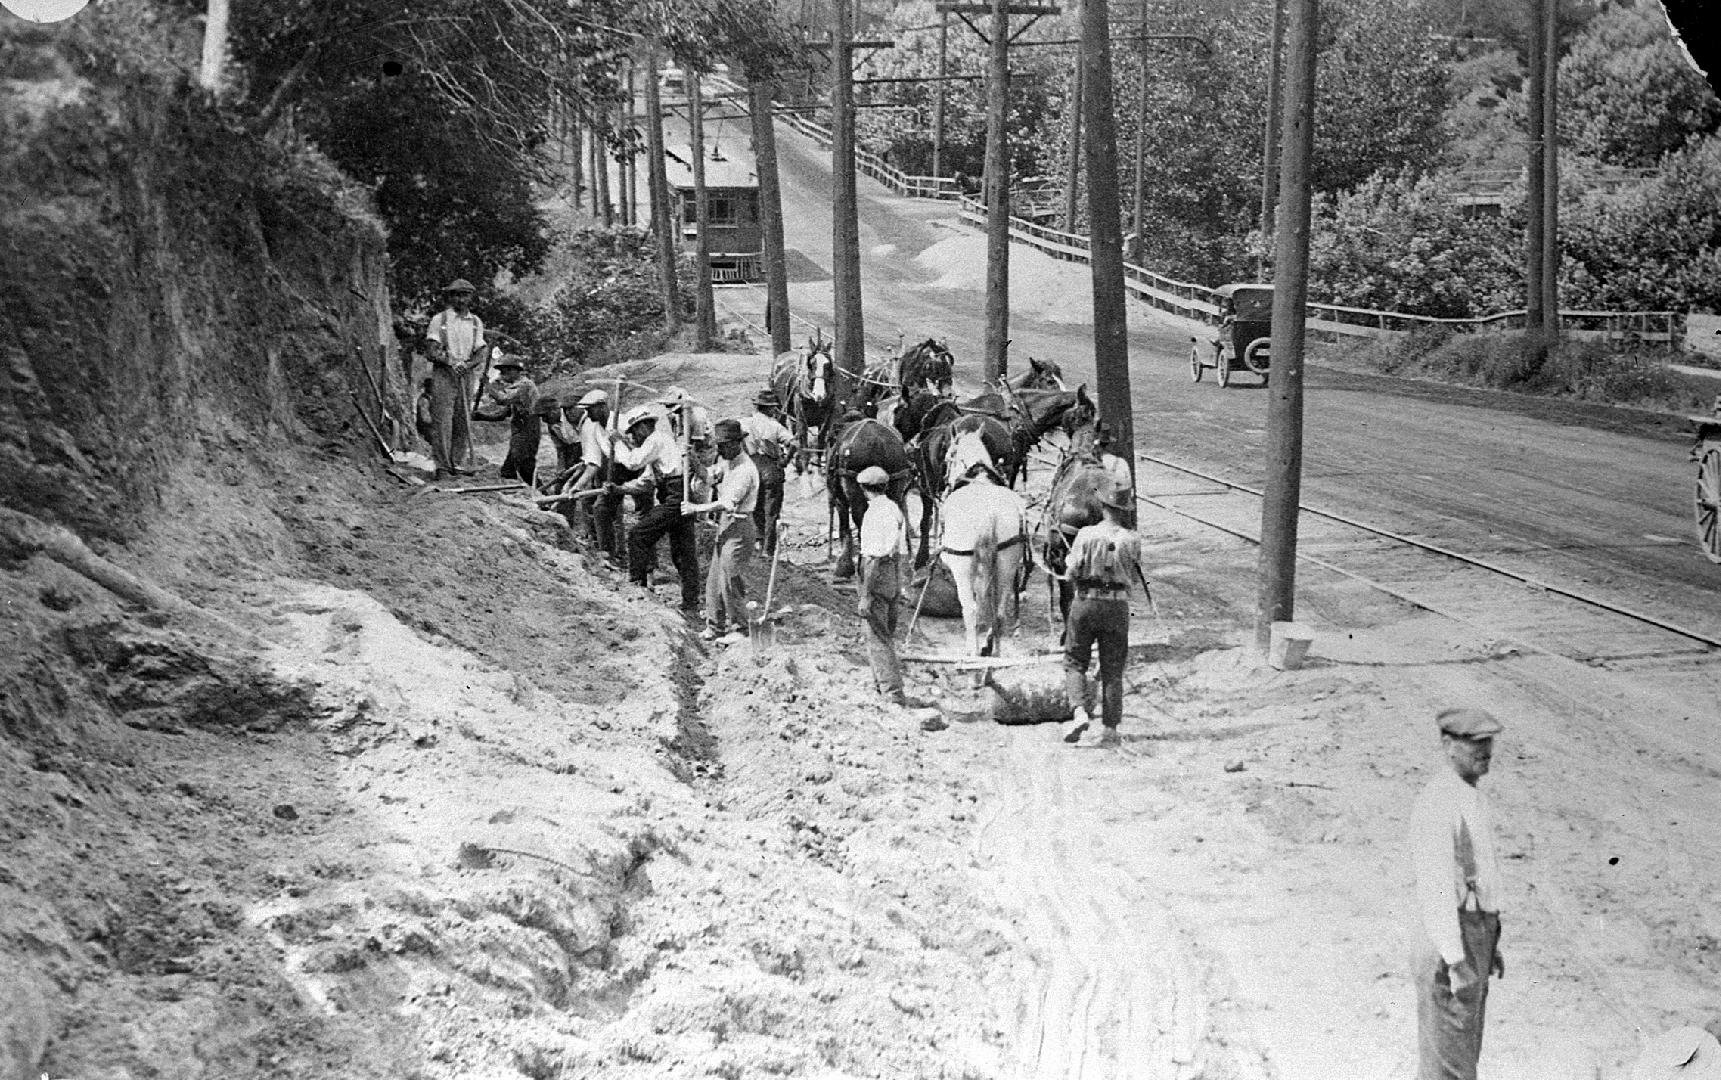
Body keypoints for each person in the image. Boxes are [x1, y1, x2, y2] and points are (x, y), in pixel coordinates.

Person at [1410, 707, 1507, 1080]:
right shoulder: (1439, 801)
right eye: (1475, 743)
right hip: (1450, 941)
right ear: (1449, 745)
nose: (1485, 751)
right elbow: (1435, 888)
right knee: (1449, 1068)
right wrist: (1456, 959)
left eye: (1489, 742)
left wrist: (1489, 945)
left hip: (1472, 934)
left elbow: (1479, 876)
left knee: (1459, 1056)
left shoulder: (1469, 797)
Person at [1055, 477, 1145, 748]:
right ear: (1124, 510)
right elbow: (1136, 578)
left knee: (1075, 661)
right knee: (1113, 669)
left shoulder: (1085, 535)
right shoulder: (1133, 540)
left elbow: (1070, 572)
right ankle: (1110, 730)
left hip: (1086, 603)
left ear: (1103, 507)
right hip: (1117, 607)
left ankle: (1079, 712)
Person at [939, 435, 1029, 657]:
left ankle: (971, 642)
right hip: (1007, 534)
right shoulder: (1009, 498)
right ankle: (996, 624)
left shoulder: (956, 498)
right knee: (1005, 586)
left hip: (963, 545)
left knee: (964, 586)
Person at [609, 407, 699, 611]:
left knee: (638, 535)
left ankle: (637, 586)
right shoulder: (659, 444)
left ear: (642, 426)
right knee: (682, 552)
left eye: (633, 432)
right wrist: (620, 489)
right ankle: (690, 601)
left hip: (676, 496)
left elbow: (633, 462)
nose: (633, 437)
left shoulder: (656, 439)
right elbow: (647, 481)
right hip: (674, 494)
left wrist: (617, 443)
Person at [683, 419, 759, 643]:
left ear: (737, 443)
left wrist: (696, 508)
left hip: (740, 527)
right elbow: (709, 477)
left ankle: (740, 627)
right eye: (719, 445)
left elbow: (727, 503)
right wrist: (693, 459)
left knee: (730, 577)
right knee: (715, 579)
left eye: (724, 445)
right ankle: (715, 627)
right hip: (725, 525)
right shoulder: (727, 462)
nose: (720, 449)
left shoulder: (745, 469)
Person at [855, 465, 923, 710]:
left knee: (876, 634)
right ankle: (880, 684)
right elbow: (904, 551)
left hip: (878, 574)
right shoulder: (894, 509)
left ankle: (892, 693)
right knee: (884, 630)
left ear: (864, 489)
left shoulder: (873, 515)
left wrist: (865, 595)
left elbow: (871, 560)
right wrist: (902, 582)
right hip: (893, 573)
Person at [423, 279, 485, 479]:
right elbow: (432, 351)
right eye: (456, 294)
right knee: (442, 419)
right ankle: (442, 466)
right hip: (444, 373)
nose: (460, 299)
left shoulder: (476, 323)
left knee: (462, 419)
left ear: (470, 298)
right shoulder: (439, 320)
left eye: (465, 295)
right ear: (450, 297)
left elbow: (480, 352)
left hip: (465, 375)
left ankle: (457, 463)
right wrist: (451, 361)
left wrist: (466, 365)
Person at [740, 389, 797, 555]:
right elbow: (794, 443)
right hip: (770, 469)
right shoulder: (775, 425)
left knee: (755, 506)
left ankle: (757, 542)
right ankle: (768, 549)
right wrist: (786, 461)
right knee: (771, 511)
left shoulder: (744, 423)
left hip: (751, 467)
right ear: (770, 408)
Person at [480, 352, 540, 484]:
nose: (502, 375)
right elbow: (503, 414)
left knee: (525, 464)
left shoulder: (525, 385)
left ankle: (541, 492)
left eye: (504, 371)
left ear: (514, 371)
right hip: (519, 429)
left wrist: (487, 385)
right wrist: (481, 416)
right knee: (509, 469)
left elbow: (503, 399)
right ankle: (514, 490)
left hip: (528, 428)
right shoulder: (515, 387)